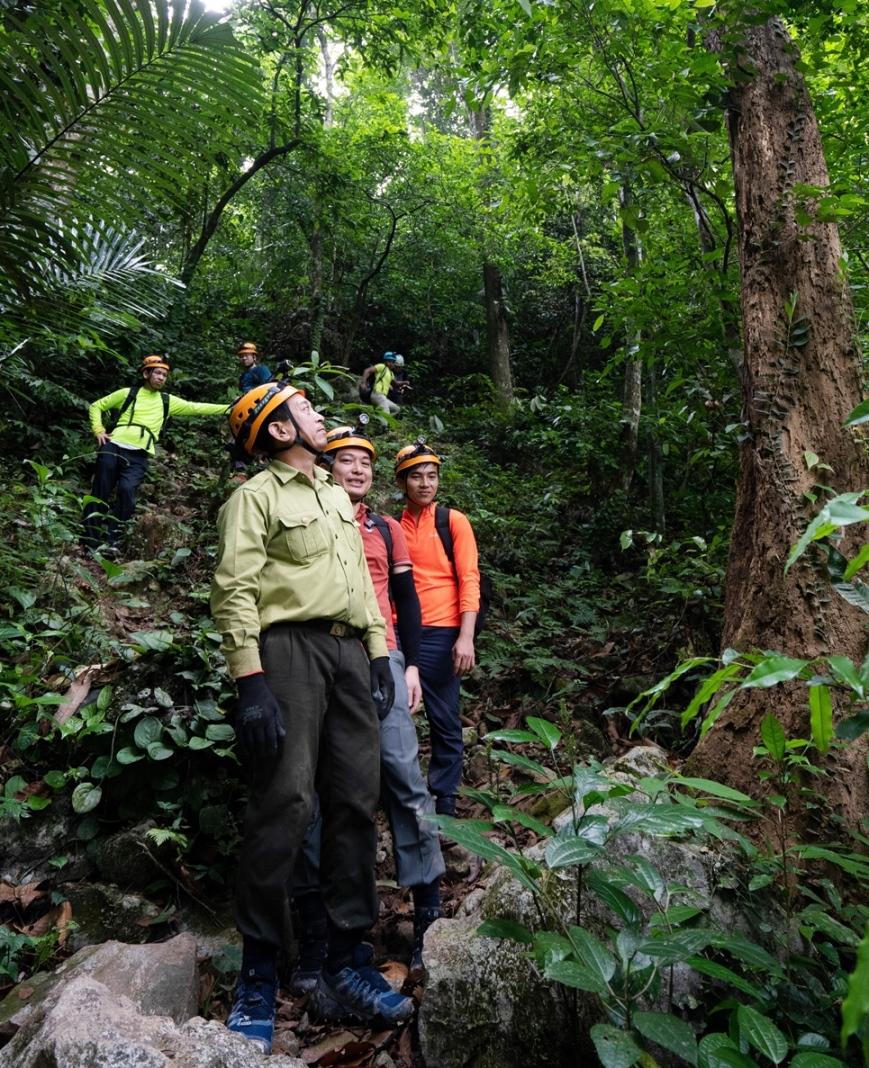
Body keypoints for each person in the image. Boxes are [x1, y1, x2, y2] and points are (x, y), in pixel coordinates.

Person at [210, 383, 413, 1054]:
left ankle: (346, 961)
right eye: (305, 407)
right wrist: (251, 682)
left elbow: (357, 579)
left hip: (349, 652)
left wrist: (380, 653)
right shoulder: (255, 497)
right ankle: (259, 975)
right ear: (275, 431)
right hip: (286, 650)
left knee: (357, 799)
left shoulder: (335, 495)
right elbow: (234, 587)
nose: (319, 415)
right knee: (286, 804)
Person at [291, 421, 445, 994]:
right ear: (325, 466)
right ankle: (317, 923)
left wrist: (409, 665)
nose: (357, 469)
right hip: (320, 658)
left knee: (404, 775)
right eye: (345, 460)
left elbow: (404, 599)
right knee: (315, 792)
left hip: (383, 658)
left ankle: (427, 904)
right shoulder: (313, 518)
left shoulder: (384, 527)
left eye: (366, 463)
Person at [396, 440, 480, 818]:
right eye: (416, 476)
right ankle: (402, 794)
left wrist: (466, 636)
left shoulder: (452, 521)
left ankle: (444, 798)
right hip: (401, 633)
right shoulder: (392, 526)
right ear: (403, 482)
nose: (426, 484)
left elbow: (469, 578)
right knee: (397, 716)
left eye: (432, 476)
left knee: (445, 717)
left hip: (445, 631)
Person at [83, 355, 228, 551]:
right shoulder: (129, 393)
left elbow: (195, 407)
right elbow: (97, 406)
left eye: (165, 375)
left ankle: (112, 541)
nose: (161, 378)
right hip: (114, 445)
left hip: (139, 455)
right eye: (158, 373)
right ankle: (90, 540)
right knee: (101, 489)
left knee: (127, 492)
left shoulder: (167, 401)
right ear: (146, 373)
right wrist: (98, 430)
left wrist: (231, 409)